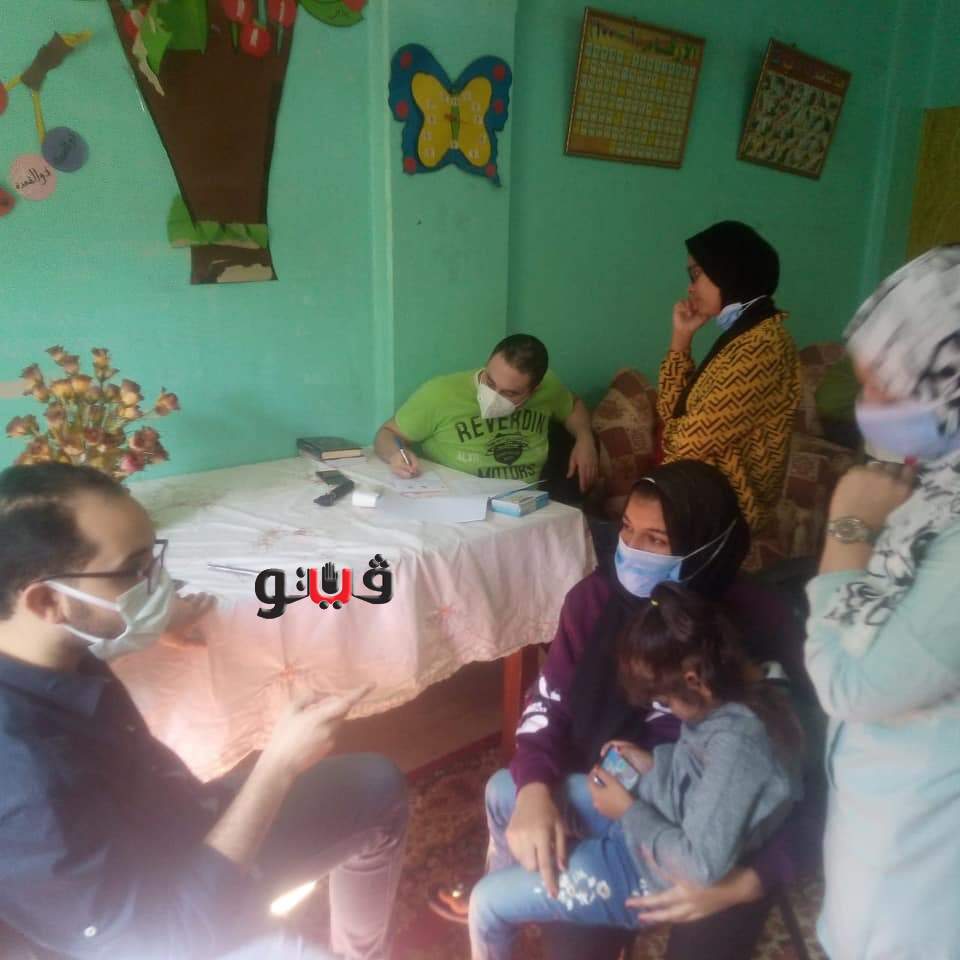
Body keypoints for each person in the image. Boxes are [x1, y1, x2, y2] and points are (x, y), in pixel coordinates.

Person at [0, 463, 408, 959]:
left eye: (153, 561)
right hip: (159, 935)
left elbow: (87, 632)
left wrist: (146, 622)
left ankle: (364, 951)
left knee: (378, 784)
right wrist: (277, 767)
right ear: (48, 601)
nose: (159, 584)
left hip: (174, 824)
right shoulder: (28, 782)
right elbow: (169, 937)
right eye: (134, 571)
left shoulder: (36, 642)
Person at [432, 459, 812, 960]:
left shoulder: (759, 624)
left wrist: (750, 881)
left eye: (656, 539)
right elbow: (548, 706)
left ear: (707, 548)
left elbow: (813, 780)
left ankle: (513, 898)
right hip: (635, 792)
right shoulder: (595, 600)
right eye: (628, 530)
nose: (632, 551)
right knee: (514, 810)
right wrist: (534, 790)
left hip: (722, 845)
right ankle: (513, 889)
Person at [469, 582, 803, 960]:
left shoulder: (740, 744)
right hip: (658, 818)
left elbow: (698, 866)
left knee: (485, 905)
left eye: (665, 702)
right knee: (502, 789)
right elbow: (699, 771)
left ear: (693, 681)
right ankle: (517, 889)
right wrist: (654, 764)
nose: (666, 709)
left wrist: (628, 811)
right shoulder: (726, 692)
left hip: (654, 869)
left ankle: (508, 908)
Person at [805, 246, 960, 960]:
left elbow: (853, 686)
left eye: (889, 390)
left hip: (924, 863)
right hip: (886, 809)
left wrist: (848, 529)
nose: (868, 409)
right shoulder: (938, 486)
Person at [657, 221, 800, 532]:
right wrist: (681, 339)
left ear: (729, 270)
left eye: (696, 273)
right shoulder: (742, 336)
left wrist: (674, 435)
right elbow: (671, 414)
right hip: (700, 498)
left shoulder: (763, 346)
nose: (690, 287)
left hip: (727, 515)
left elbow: (685, 441)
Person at [373, 333, 598, 491]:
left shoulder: (549, 387)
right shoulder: (441, 393)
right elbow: (387, 433)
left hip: (526, 505)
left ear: (534, 390)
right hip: (458, 502)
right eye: (490, 382)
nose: (494, 395)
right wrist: (396, 454)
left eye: (510, 393)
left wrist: (584, 438)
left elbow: (573, 406)